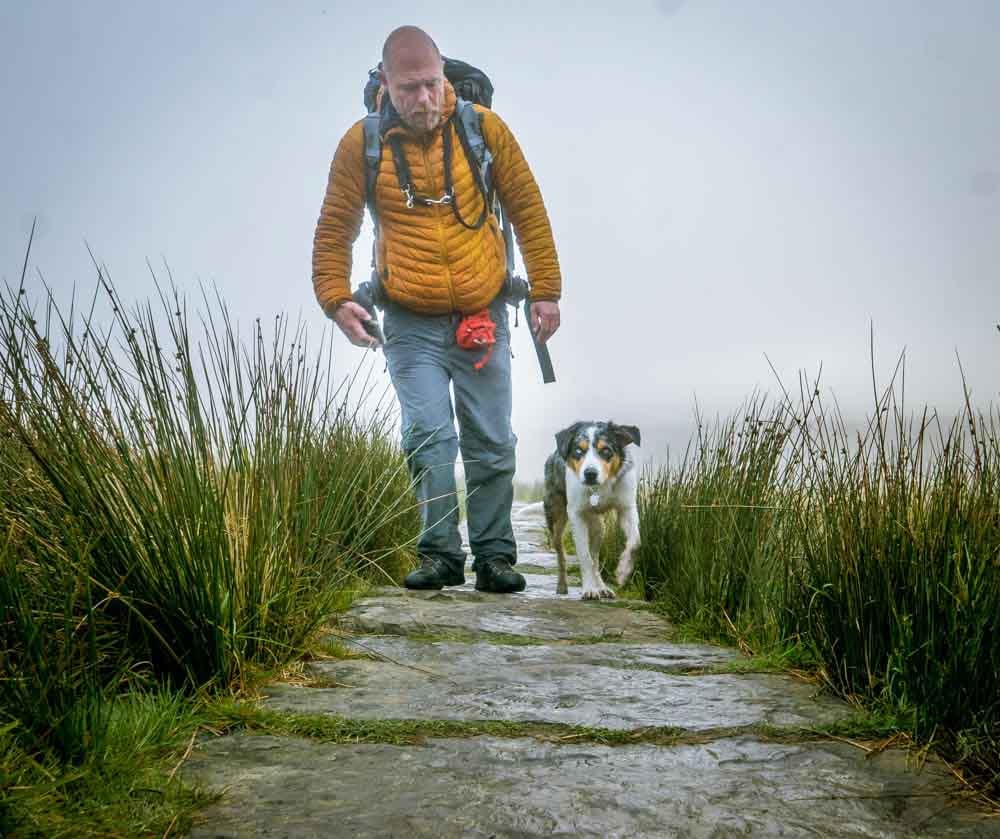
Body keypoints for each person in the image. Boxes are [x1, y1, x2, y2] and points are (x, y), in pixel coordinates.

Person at [312, 25, 561, 593]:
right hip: (407, 319)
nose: (424, 100)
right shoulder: (363, 144)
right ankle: (440, 555)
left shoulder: (482, 128)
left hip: (483, 314)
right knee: (428, 436)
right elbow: (334, 231)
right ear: (386, 86)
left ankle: (496, 557)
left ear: (442, 72)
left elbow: (528, 206)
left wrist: (545, 288)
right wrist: (337, 300)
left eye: (431, 84)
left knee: (492, 439)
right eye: (409, 90)